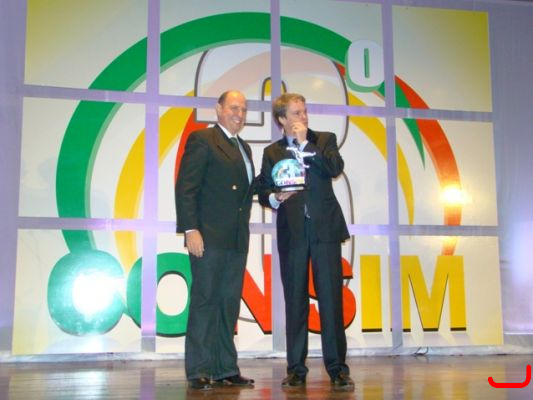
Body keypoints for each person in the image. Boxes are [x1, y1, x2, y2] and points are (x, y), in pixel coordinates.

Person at [258, 93, 354, 390]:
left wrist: (305, 146)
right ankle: (296, 370)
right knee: (295, 301)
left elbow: (335, 167)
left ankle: (338, 370)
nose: (303, 117)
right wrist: (276, 197)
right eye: (296, 113)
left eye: (304, 111)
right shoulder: (272, 152)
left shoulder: (324, 140)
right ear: (282, 119)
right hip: (294, 233)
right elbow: (263, 190)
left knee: (331, 300)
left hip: (325, 231)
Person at [175, 90, 255, 390]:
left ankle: (225, 368)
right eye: (234, 107)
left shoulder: (244, 147)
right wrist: (190, 229)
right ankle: (199, 368)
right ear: (218, 109)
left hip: (236, 238)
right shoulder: (203, 139)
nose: (239, 114)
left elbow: (246, 194)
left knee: (228, 304)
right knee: (205, 301)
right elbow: (186, 187)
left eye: (243, 109)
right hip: (208, 236)